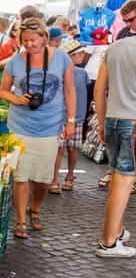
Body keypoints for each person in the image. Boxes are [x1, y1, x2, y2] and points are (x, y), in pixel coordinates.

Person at [0, 19, 76, 240]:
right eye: (25, 41)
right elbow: (3, 91)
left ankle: (36, 210)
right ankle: (21, 219)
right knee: (21, 176)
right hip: (20, 126)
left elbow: (70, 90)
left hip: (50, 127)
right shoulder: (15, 61)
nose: (29, 45)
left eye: (33, 40)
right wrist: (17, 99)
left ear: (44, 37)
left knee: (42, 178)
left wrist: (71, 120)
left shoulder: (61, 58)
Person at [94, 0, 136, 257]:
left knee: (117, 177)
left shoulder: (114, 48)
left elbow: (99, 90)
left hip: (113, 119)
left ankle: (117, 231)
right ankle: (108, 242)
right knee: (125, 179)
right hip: (132, 123)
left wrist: (101, 121)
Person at [49, 39, 90, 195]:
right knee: (64, 149)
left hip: (71, 116)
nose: (82, 55)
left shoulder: (82, 73)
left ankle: (67, 176)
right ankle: (58, 178)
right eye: (80, 53)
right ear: (72, 56)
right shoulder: (63, 73)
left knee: (67, 149)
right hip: (69, 116)